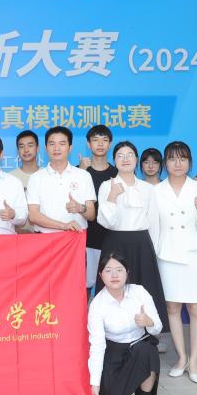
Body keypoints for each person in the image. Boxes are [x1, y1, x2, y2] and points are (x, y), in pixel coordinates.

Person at [96, 141, 169, 339]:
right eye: (120, 155)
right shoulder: (107, 186)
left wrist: (153, 251)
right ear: (114, 160)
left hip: (142, 244)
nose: (125, 159)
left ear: (136, 159)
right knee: (115, 288)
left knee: (144, 290)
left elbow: (154, 222)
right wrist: (112, 196)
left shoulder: (147, 188)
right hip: (115, 243)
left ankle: (149, 336)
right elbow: (106, 221)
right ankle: (112, 336)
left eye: (130, 155)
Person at [153, 142, 197, 383]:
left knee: (196, 308)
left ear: (189, 162)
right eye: (172, 159)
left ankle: (194, 361)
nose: (178, 164)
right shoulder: (156, 190)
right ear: (165, 163)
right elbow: (153, 226)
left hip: (193, 252)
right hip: (167, 253)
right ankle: (181, 358)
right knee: (172, 308)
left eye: (183, 159)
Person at [88, 252, 162, 395]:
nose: (114, 275)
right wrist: (94, 383)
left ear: (127, 272)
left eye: (119, 270)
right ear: (100, 275)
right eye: (108, 270)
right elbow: (97, 345)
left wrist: (148, 322)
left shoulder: (139, 292)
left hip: (138, 347)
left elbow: (157, 328)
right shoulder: (97, 305)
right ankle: (133, 385)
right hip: (112, 352)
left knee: (147, 349)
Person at [79, 125, 115, 295]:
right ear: (88, 144)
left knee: (110, 286)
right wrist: (80, 171)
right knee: (83, 286)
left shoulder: (118, 173)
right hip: (84, 240)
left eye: (104, 140)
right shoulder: (78, 172)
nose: (100, 144)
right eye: (95, 140)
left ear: (110, 144)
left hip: (111, 239)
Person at [9, 130, 41, 234]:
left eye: (30, 145)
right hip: (18, 235)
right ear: (18, 150)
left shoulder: (47, 175)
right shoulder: (10, 178)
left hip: (44, 234)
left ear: (37, 148)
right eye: (21, 146)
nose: (26, 150)